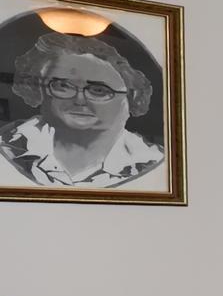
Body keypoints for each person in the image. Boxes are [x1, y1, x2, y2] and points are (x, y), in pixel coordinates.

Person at [0, 32, 163, 188]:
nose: (79, 100)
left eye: (99, 90)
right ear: (39, 90)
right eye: (63, 86)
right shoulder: (7, 147)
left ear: (131, 98)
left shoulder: (155, 163)